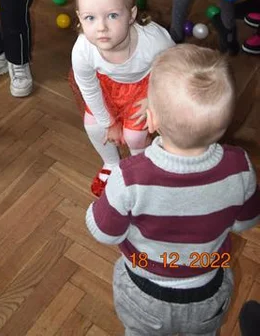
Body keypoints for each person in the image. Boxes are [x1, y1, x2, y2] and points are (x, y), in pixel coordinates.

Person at [86, 44, 260, 336]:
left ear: (150, 120)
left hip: (144, 290)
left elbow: (103, 232)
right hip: (207, 288)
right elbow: (245, 221)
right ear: (223, 123)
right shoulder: (240, 167)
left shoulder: (129, 177)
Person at [72, 0, 174, 196]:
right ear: (80, 18)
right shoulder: (82, 50)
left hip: (149, 86)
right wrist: (109, 122)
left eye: (113, 15)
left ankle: (141, 166)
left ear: (132, 15)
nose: (101, 27)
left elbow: (172, 70)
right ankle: (111, 163)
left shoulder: (155, 41)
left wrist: (153, 101)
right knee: (93, 125)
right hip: (107, 87)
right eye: (90, 18)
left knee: (135, 135)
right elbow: (88, 86)